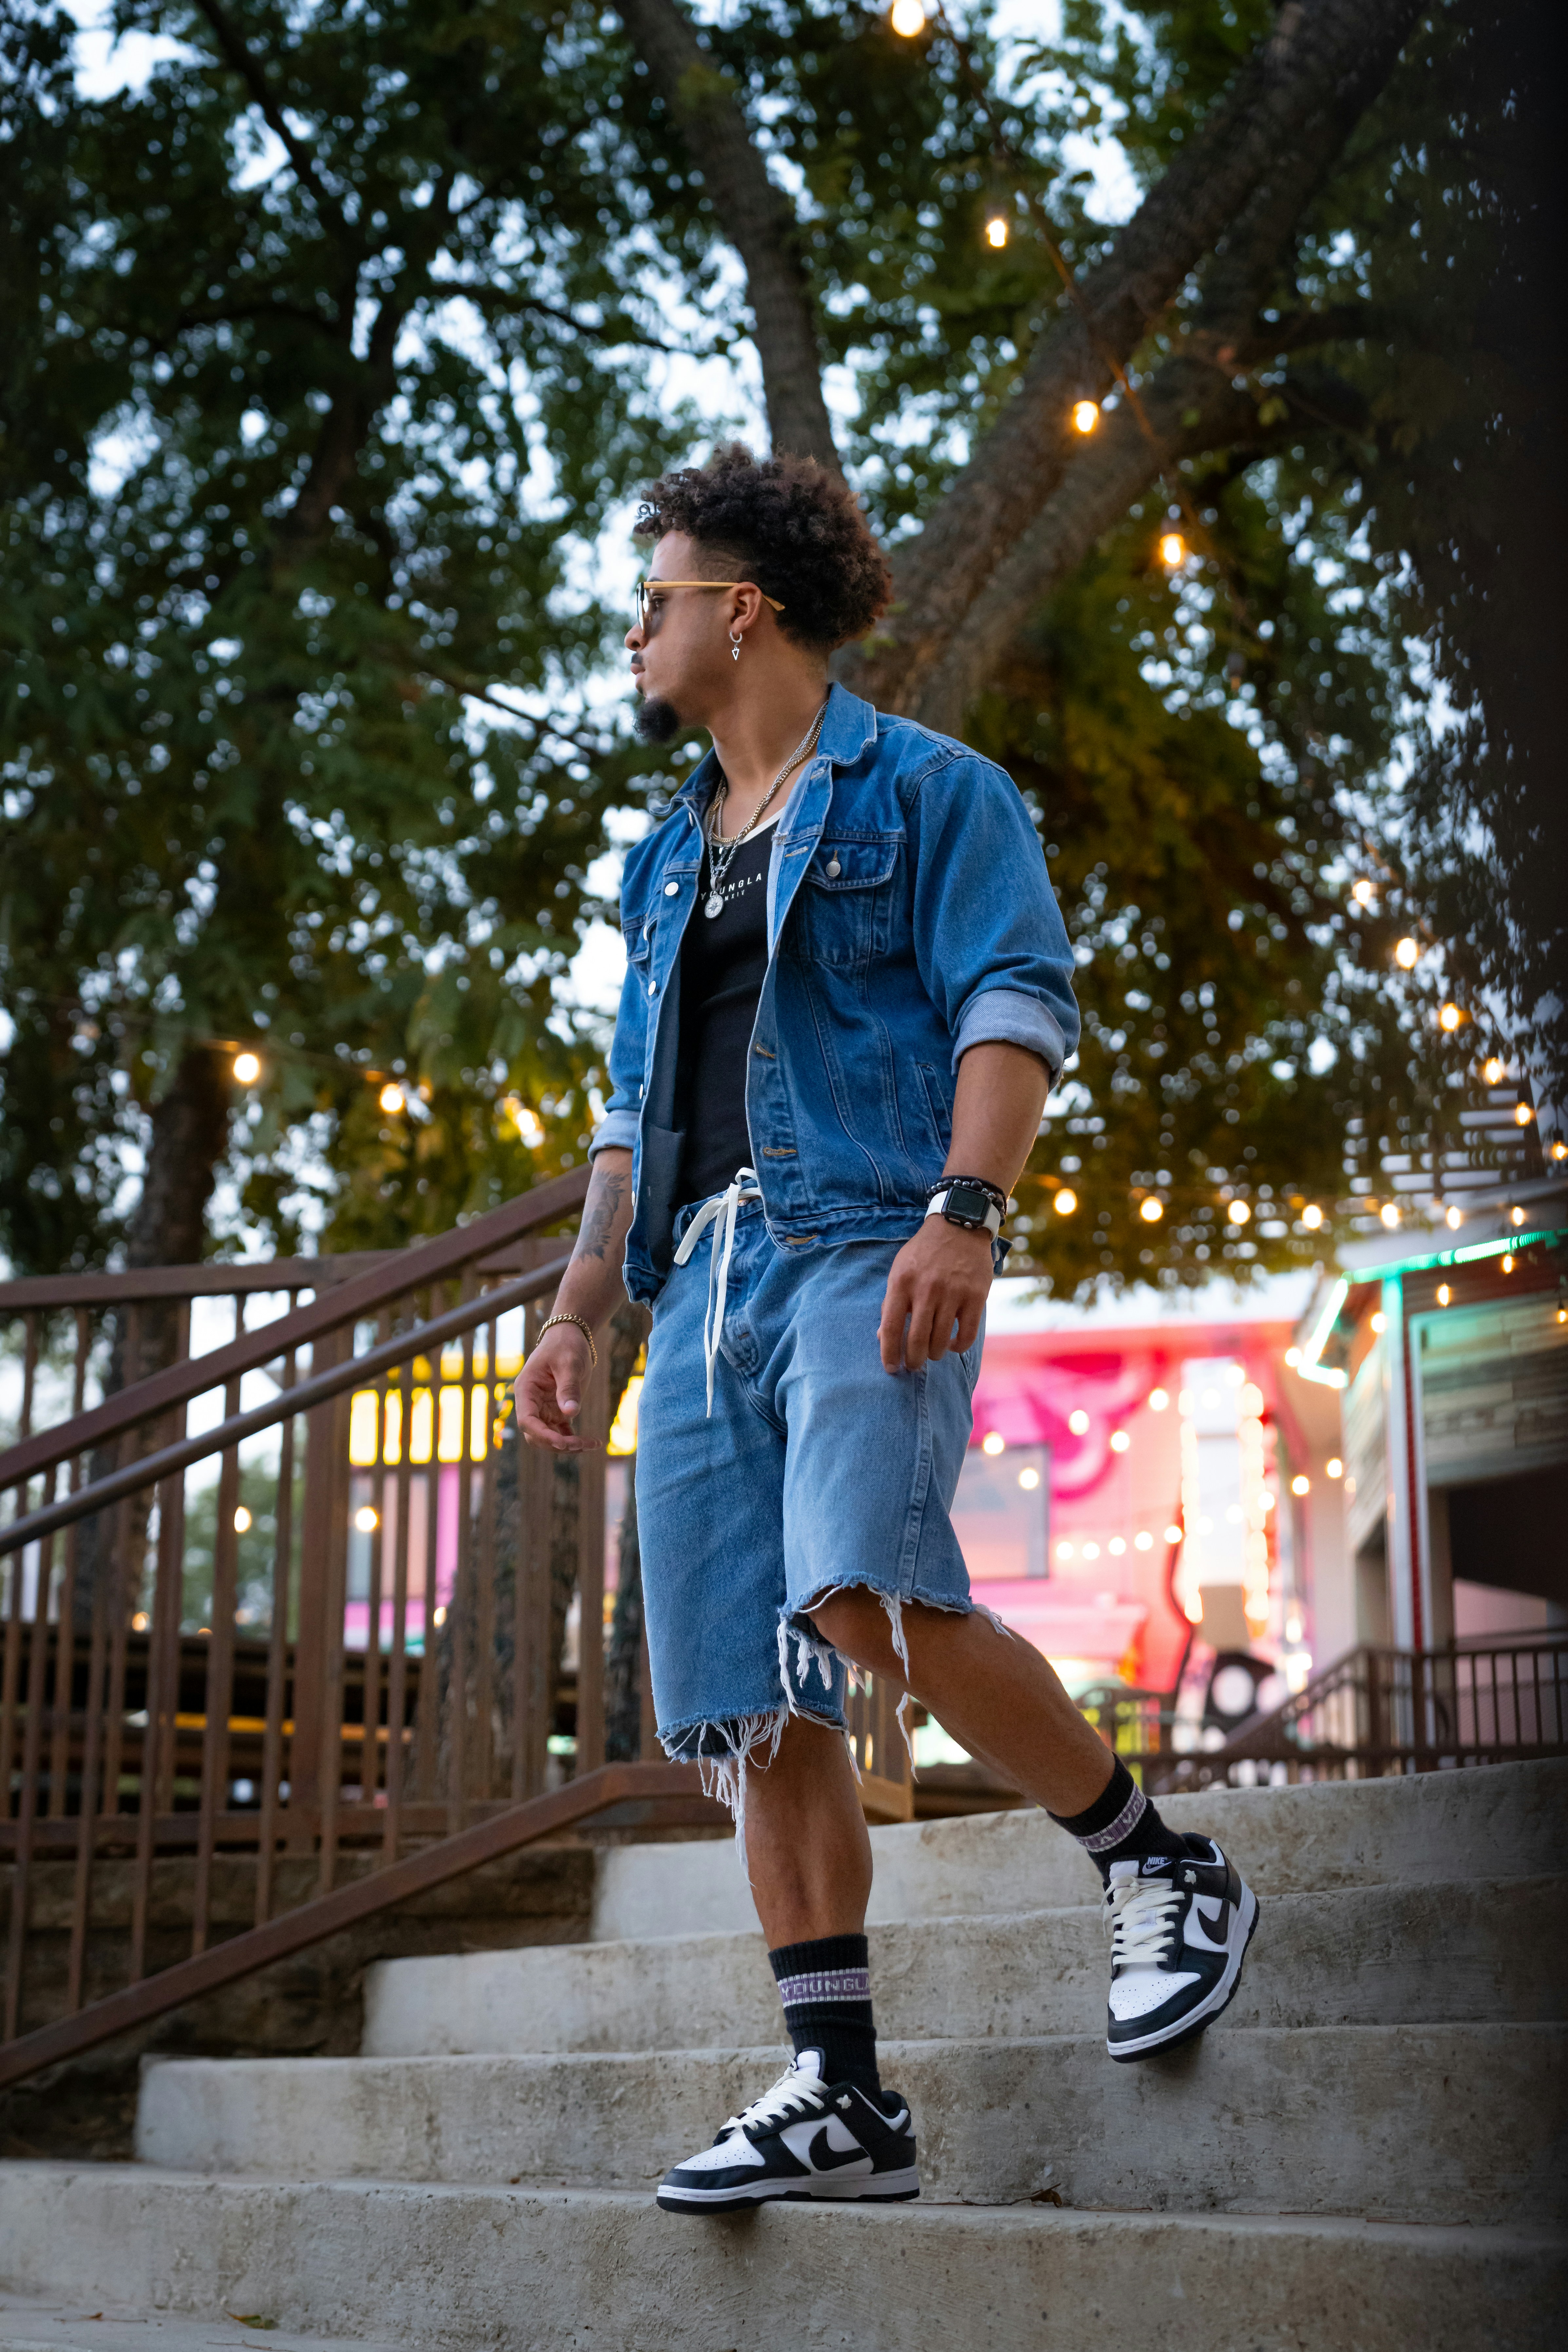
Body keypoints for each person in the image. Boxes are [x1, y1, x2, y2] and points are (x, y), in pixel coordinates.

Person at [514, 444, 1258, 2215]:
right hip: (694, 1293)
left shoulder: (929, 792)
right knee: (743, 1707)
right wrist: (577, 1308)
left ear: (738, 607)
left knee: (857, 1587)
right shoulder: (656, 861)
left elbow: (1015, 992)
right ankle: (839, 2094)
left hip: (861, 1237)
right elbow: (631, 1104)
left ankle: (1158, 1864)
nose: (635, 631)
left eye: (655, 597)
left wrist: (966, 1210)